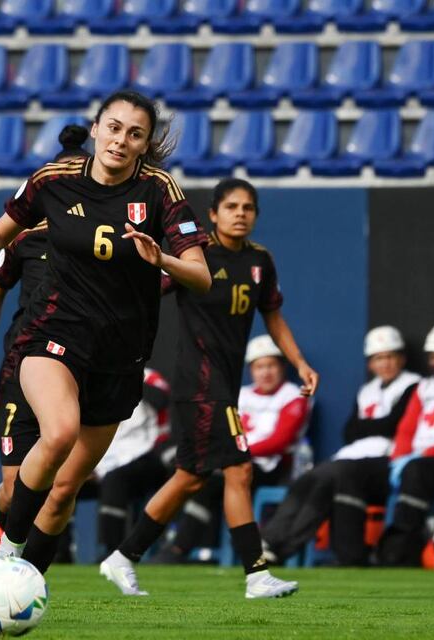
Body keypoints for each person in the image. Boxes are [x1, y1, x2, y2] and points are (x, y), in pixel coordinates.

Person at [0, 90, 212, 576]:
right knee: (57, 434)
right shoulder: (51, 180)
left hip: (120, 355)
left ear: (145, 145)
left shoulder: (160, 190)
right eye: (114, 127)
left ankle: (26, 588)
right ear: (96, 129)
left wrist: (159, 257)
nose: (121, 140)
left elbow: (201, 275)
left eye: (135, 134)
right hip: (53, 333)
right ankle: (6, 560)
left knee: (62, 495)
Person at [102, 178, 319, 599]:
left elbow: (272, 315)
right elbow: (145, 292)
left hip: (223, 382)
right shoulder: (194, 258)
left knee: (189, 477)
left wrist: (299, 363)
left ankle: (123, 556)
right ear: (214, 214)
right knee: (239, 468)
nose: (241, 213)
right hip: (200, 381)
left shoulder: (260, 261)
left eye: (248, 207)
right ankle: (256, 574)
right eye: (232, 206)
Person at [0, 124, 91, 559]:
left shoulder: (99, 242)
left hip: (78, 363)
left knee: (60, 489)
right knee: (12, 487)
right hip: (24, 361)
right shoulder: (24, 238)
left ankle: (24, 572)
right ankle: (5, 544)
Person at [261, 326, 420, 564]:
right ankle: (271, 541)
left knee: (334, 473)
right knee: (312, 477)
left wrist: (369, 427)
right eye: (379, 358)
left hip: (387, 458)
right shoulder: (367, 390)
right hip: (353, 456)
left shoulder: (414, 385)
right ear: (370, 364)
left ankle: (280, 546)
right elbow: (349, 432)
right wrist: (375, 426)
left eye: (390, 356)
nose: (385, 363)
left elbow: (392, 426)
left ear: (401, 358)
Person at [152, 335, 311, 563]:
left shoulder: (294, 395)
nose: (265, 372)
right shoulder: (240, 395)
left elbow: (279, 441)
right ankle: (183, 545)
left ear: (281, 366)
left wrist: (230, 452)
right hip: (229, 460)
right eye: (259, 366)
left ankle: (178, 549)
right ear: (251, 370)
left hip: (269, 467)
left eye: (271, 365)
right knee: (187, 473)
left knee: (208, 481)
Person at [332, 320, 434, 566]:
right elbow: (406, 429)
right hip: (412, 459)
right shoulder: (425, 387)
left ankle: (399, 551)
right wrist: (399, 459)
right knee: (351, 473)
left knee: (416, 470)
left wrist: (423, 455)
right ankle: (350, 557)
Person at [93, 368, 172, 553]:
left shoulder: (147, 375)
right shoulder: (93, 378)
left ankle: (112, 551)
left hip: (143, 454)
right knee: (61, 482)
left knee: (115, 480)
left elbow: (161, 398)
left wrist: (124, 376)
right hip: (102, 455)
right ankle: (58, 552)